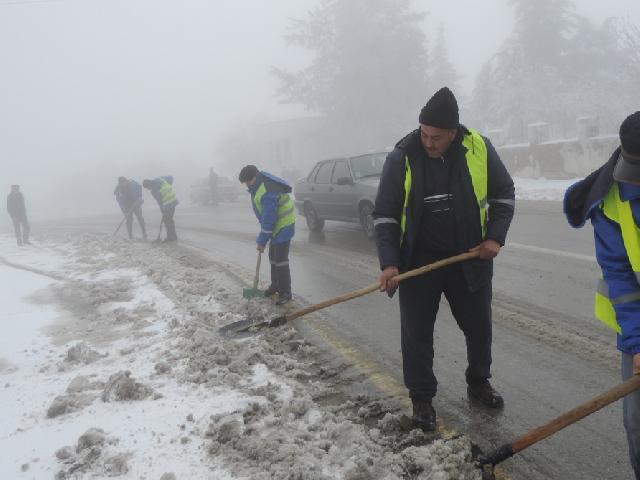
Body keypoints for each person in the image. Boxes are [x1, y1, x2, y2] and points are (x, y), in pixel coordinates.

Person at [373, 87, 515, 431]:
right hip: (418, 263)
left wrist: (495, 236)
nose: (428, 142)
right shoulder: (403, 155)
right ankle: (422, 399)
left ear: (453, 132)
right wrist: (390, 263)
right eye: (424, 133)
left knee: (479, 327)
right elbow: (385, 214)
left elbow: (503, 193)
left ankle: (478, 380)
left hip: (470, 257)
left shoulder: (478, 146)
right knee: (417, 334)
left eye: (436, 136)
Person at [564, 111, 640, 479]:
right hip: (639, 326)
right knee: (638, 424)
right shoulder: (609, 200)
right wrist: (639, 343)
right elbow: (620, 275)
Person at [238, 165, 295, 305]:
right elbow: (265, 217)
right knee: (273, 257)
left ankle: (285, 292)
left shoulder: (267, 189)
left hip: (283, 225)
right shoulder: (258, 187)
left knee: (281, 260)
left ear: (254, 178)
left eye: (247, 182)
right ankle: (275, 286)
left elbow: (269, 218)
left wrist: (262, 240)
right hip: (276, 225)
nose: (246, 185)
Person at [142, 176, 178, 242]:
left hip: (169, 203)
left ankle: (170, 237)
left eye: (147, 188)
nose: (148, 189)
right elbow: (159, 202)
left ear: (149, 185)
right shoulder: (157, 183)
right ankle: (173, 236)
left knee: (168, 221)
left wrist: (163, 210)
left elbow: (160, 202)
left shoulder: (156, 187)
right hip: (171, 203)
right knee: (169, 220)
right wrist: (162, 210)